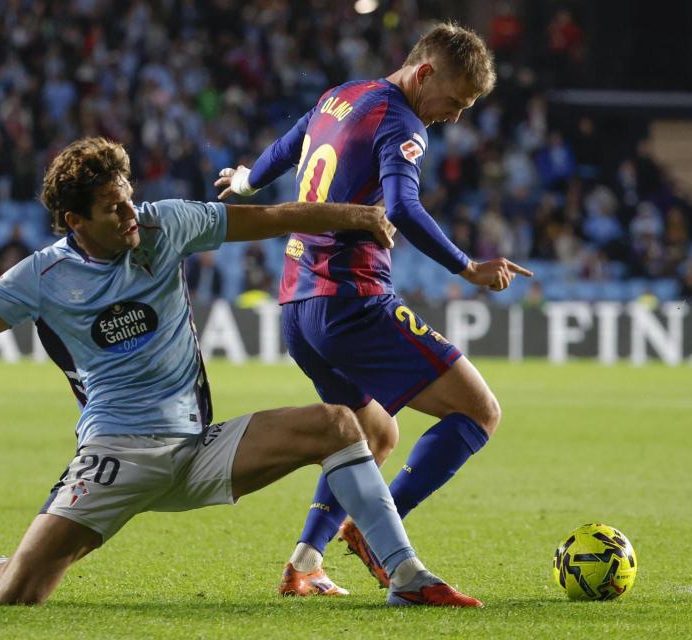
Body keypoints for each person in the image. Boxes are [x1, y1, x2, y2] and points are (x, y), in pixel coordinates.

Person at [0, 140, 482, 608]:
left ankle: (406, 576)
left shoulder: (165, 224)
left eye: (129, 198)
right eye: (113, 208)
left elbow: (275, 216)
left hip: (202, 447)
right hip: (116, 455)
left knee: (338, 424)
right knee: (17, 593)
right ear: (74, 220)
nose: (131, 214)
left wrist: (355, 215)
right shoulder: (42, 278)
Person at [215, 22, 532, 596]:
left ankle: (306, 564)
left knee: (369, 436)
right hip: (352, 303)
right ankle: (377, 531)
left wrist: (244, 182)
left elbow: (286, 149)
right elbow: (404, 208)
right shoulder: (403, 121)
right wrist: (469, 267)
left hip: (299, 307)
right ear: (426, 71)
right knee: (479, 411)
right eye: (455, 102)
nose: (453, 117)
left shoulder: (341, 95)